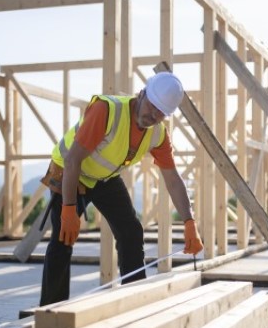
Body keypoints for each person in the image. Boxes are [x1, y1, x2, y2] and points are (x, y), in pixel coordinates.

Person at [38, 72, 204, 306]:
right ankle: (50, 310)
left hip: (104, 178)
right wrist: (68, 208)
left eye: (161, 113)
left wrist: (189, 221)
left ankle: (135, 300)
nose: (153, 116)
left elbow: (173, 179)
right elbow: (73, 160)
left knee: (131, 232)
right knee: (63, 239)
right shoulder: (107, 111)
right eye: (152, 107)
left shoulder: (158, 134)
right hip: (71, 173)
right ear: (142, 94)